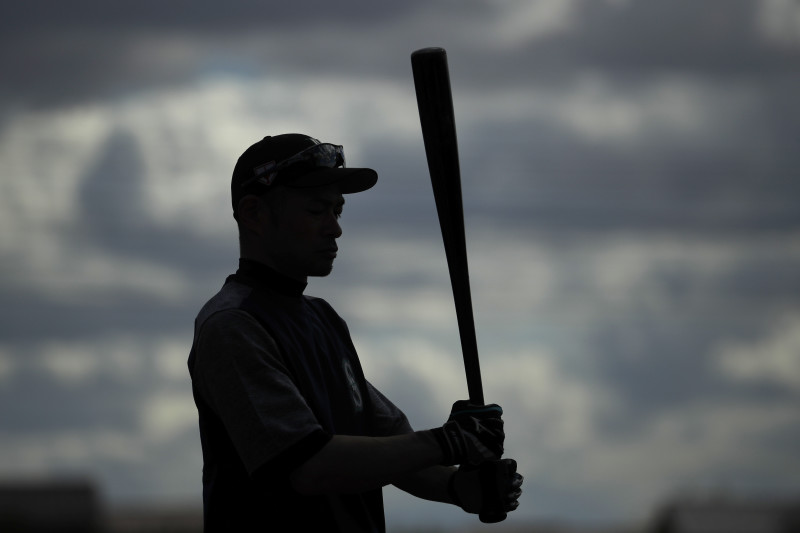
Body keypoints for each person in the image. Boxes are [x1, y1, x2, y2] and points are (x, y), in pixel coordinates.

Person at [187, 133, 523, 531]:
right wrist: (447, 442)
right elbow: (310, 465)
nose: (335, 229)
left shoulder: (323, 319)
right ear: (253, 213)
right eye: (316, 211)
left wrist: (457, 485)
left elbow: (388, 446)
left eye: (338, 211)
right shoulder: (233, 326)